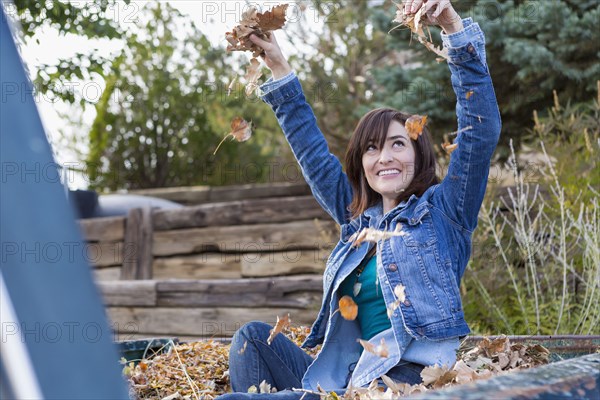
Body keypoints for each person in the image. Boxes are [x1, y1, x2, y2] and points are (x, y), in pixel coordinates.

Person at [218, 0, 501, 398]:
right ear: (361, 162)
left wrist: (453, 29)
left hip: (404, 380)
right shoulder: (356, 220)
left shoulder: (445, 212)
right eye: (372, 148)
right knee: (252, 338)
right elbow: (312, 152)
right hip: (347, 380)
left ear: (418, 156)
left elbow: (480, 130)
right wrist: (278, 66)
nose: (384, 157)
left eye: (398, 144)